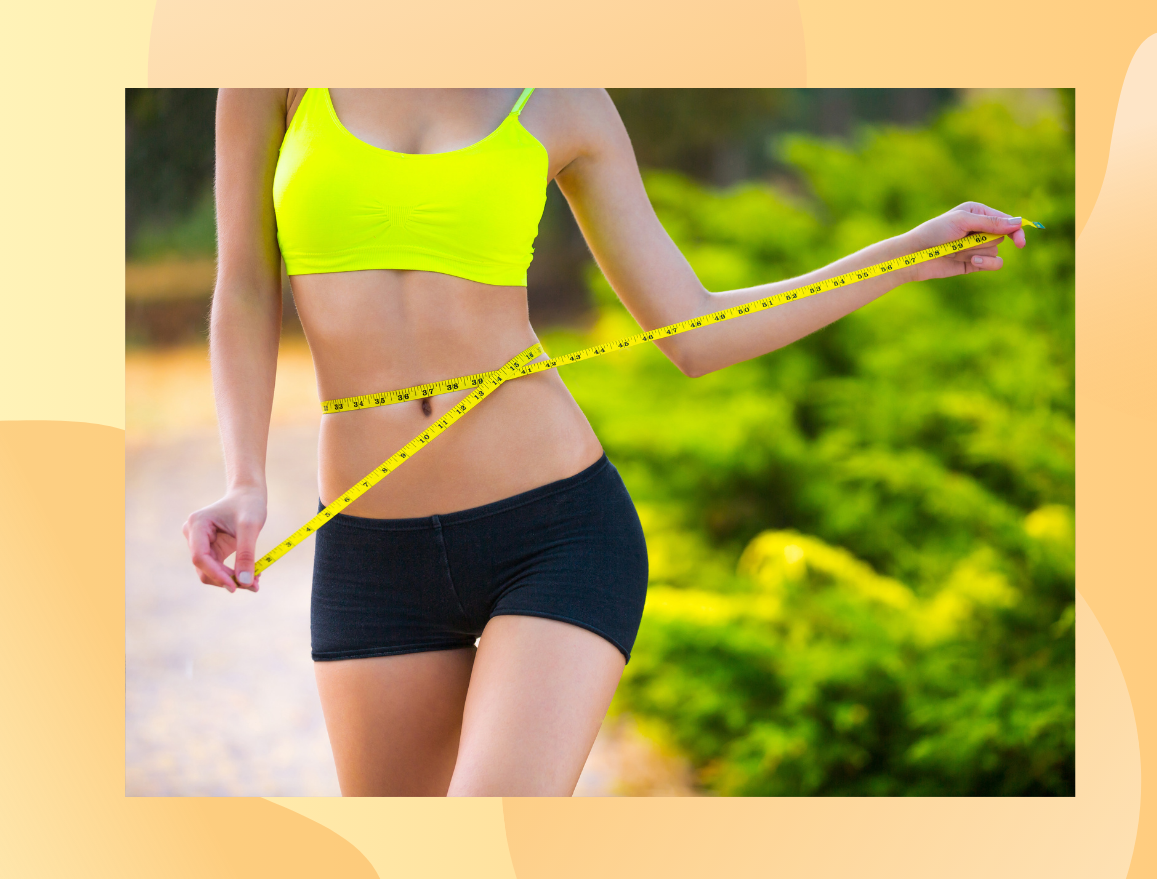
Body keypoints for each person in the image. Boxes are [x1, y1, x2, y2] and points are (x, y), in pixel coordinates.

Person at [182, 88, 1028, 796]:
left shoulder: (559, 92)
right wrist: (245, 479)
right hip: (374, 550)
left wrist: (901, 257)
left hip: (554, 535)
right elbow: (246, 287)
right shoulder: (275, 68)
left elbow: (693, 332)